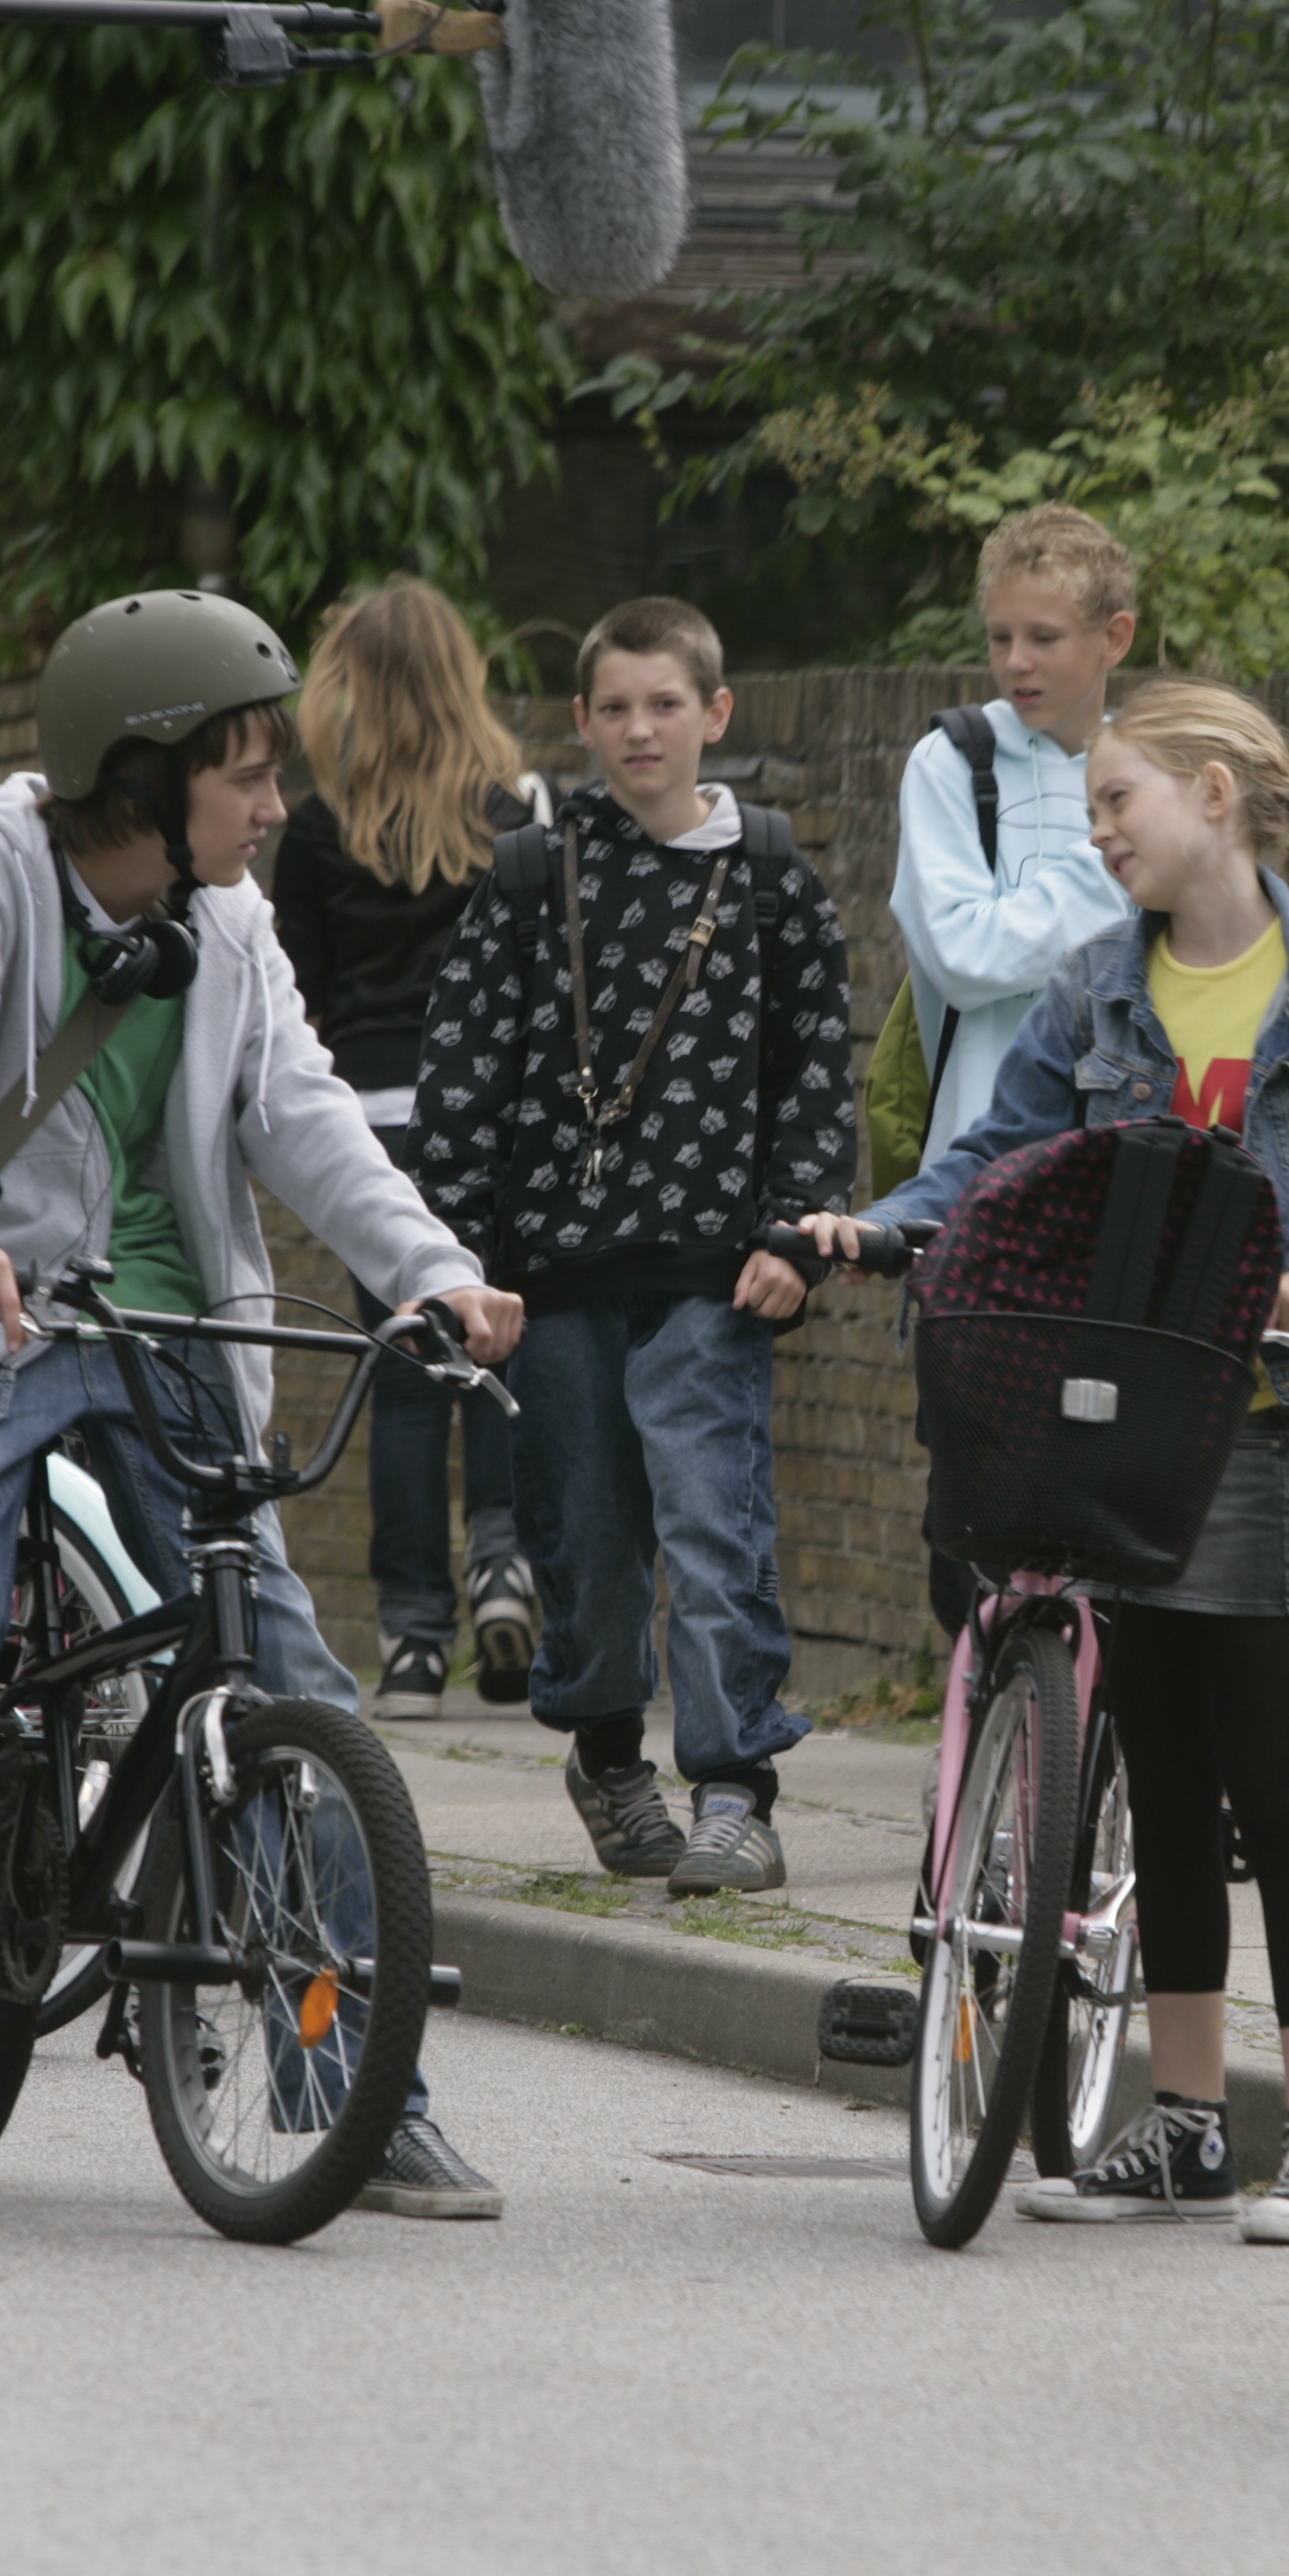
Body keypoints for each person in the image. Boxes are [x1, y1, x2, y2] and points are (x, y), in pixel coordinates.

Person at [0, 589, 524, 2220]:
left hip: (173, 1327)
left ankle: (354, 2098)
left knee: (289, 1675)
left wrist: (433, 1267)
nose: (277, 805)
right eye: (246, 772)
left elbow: (304, 1116)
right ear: (142, 778)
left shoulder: (232, 920)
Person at [820, 676, 1289, 2246]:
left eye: (1117, 800)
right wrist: (878, 1224)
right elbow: (993, 1151)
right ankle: (1192, 2120)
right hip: (1120, 1416)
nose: (1101, 829)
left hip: (1253, 1424)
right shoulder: (1091, 988)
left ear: (1212, 793)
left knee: (1273, 1782)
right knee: (1168, 1785)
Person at [414, 597, 855, 1898]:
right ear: (580, 721)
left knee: (716, 1526)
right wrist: (461, 1259)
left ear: (714, 714)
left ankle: (734, 1786)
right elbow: (462, 1076)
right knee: (587, 1539)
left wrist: (798, 1233)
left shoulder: (769, 874)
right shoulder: (530, 875)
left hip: (711, 1272)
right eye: (614, 707)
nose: (639, 728)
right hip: (551, 1274)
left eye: (665, 704)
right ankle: (608, 1748)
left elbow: (814, 1074)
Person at [276, 580, 551, 1721]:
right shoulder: (518, 810)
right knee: (491, 1352)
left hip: (375, 1123)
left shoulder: (311, 826)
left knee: (401, 1375)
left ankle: (411, 1645)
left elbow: (298, 999)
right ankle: (501, 1558)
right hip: (494, 1117)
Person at [883, 503, 1140, 1637]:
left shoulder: (1165, 760)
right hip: (976, 1183)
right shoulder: (956, 761)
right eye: (999, 638)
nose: (1017, 663)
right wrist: (1118, 873)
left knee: (1119, 1494)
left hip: (1126, 1183)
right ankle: (975, 1746)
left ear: (1114, 638)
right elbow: (964, 951)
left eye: (1044, 636)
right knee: (972, 1507)